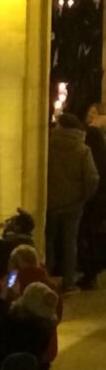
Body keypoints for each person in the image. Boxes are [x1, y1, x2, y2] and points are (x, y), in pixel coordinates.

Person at [46, 112, 99, 292]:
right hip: (74, 204)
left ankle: (45, 276)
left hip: (50, 201)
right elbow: (92, 178)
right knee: (70, 243)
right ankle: (68, 281)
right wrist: (83, 197)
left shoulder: (48, 145)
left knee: (48, 240)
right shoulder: (83, 149)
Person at [79, 102, 106, 288]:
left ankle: (90, 271)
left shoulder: (89, 151)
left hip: (92, 199)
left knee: (87, 235)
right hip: (99, 199)